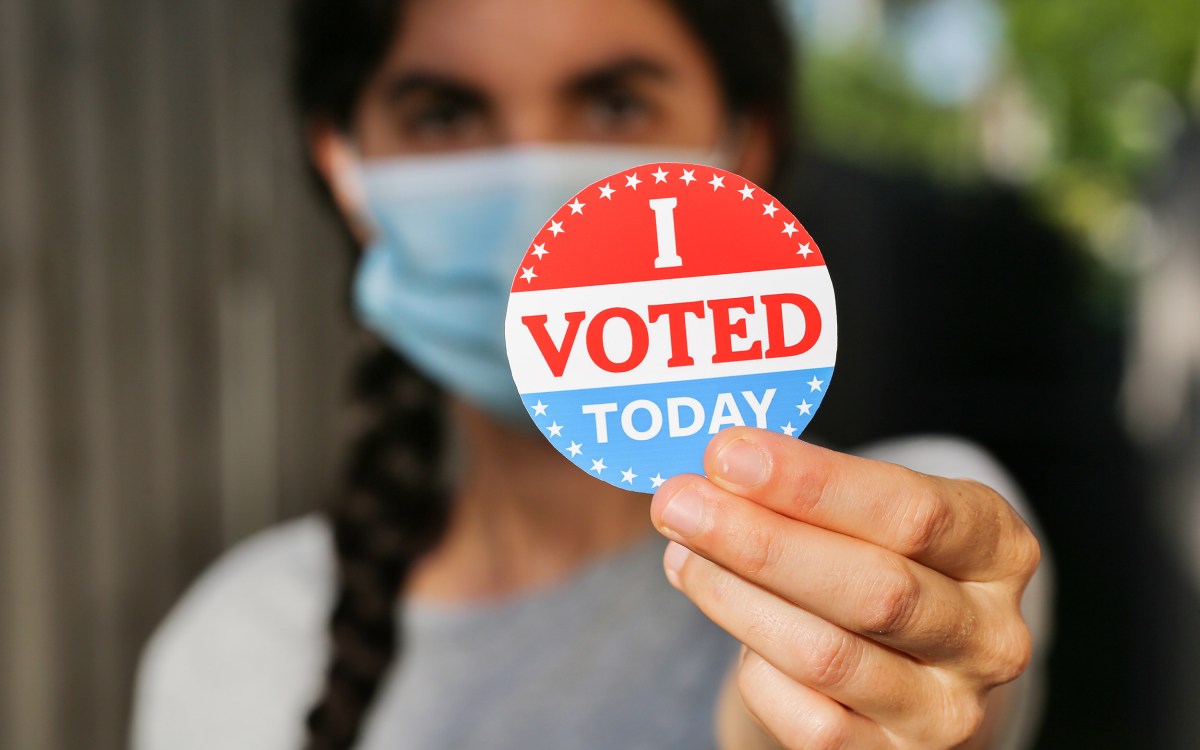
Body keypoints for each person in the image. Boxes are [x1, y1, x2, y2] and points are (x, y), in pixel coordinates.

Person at [131, 1, 1049, 748]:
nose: (539, 190)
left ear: (744, 146)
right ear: (346, 167)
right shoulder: (239, 645)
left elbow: (932, 682)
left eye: (614, 105)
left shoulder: (901, 542)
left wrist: (860, 701)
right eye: (445, 114)